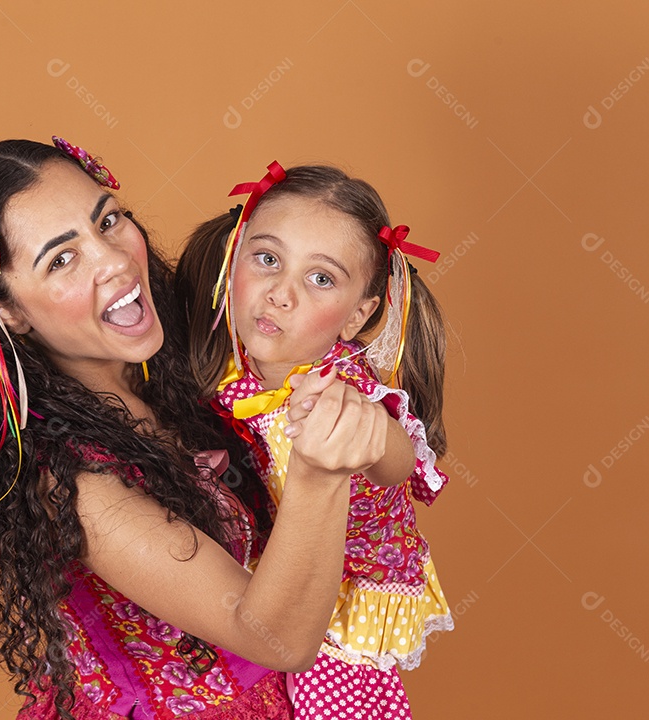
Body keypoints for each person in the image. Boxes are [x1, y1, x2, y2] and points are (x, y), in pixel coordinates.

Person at [0, 138, 394, 719]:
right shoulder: (73, 481)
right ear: (8, 310)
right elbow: (279, 640)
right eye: (61, 259)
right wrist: (320, 474)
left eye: (109, 220)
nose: (116, 261)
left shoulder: (184, 367)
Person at [175, 162, 454, 719]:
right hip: (270, 584)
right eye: (268, 259)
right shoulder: (228, 368)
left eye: (320, 278)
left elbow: (394, 460)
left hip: (343, 605)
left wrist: (365, 434)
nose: (281, 293)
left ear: (358, 315)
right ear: (234, 260)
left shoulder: (343, 391)